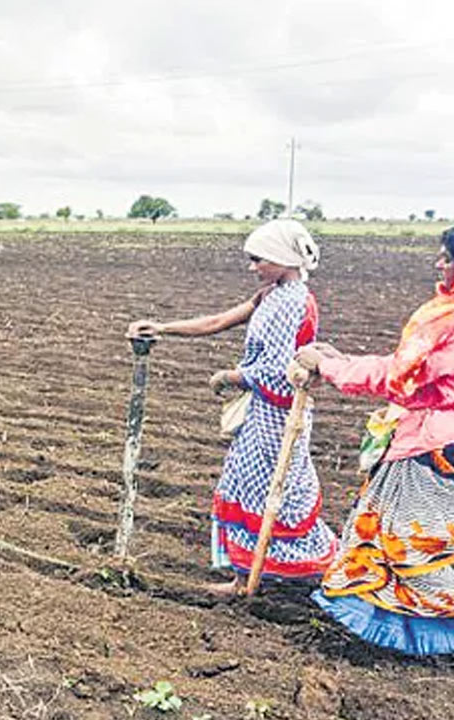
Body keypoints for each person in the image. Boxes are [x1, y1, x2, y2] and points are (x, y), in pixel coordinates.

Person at [295, 222, 454, 688]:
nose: (439, 264)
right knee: (392, 544)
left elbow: (400, 378)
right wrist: (338, 359)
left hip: (431, 452)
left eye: (447, 257)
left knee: (403, 553)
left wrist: (328, 365)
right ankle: (445, 631)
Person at [129, 220, 338, 594]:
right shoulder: (269, 295)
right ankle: (244, 577)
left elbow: (279, 368)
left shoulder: (294, 303)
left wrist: (232, 376)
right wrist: (162, 328)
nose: (253, 267)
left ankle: (311, 569)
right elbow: (219, 321)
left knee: (279, 489)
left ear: (281, 258)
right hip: (262, 412)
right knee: (246, 485)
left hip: (281, 415)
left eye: (259, 259)